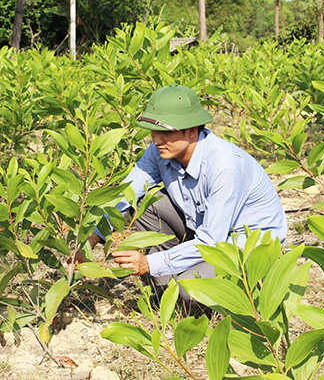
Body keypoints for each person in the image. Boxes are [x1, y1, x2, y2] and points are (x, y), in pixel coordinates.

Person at [76, 84, 287, 302]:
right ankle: (167, 286)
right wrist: (89, 241)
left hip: (245, 248)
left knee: (188, 292)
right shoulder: (159, 152)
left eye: (166, 131)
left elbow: (212, 241)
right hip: (204, 232)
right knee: (142, 203)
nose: (156, 139)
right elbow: (127, 192)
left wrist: (149, 263)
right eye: (153, 131)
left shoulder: (223, 167)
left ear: (192, 130)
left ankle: (221, 287)